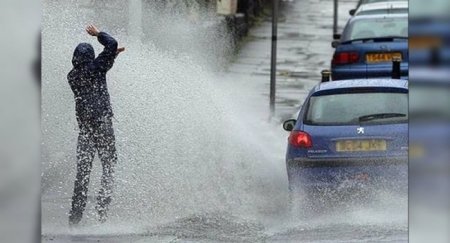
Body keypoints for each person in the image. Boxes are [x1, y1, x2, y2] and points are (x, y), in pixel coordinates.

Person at [67, 25, 125, 225]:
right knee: (108, 167)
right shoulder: (96, 68)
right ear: (91, 57)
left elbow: (99, 68)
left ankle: (74, 220)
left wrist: (110, 58)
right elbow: (112, 44)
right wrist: (98, 34)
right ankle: (102, 212)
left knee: (82, 174)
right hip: (102, 125)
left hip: (85, 130)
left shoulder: (72, 76)